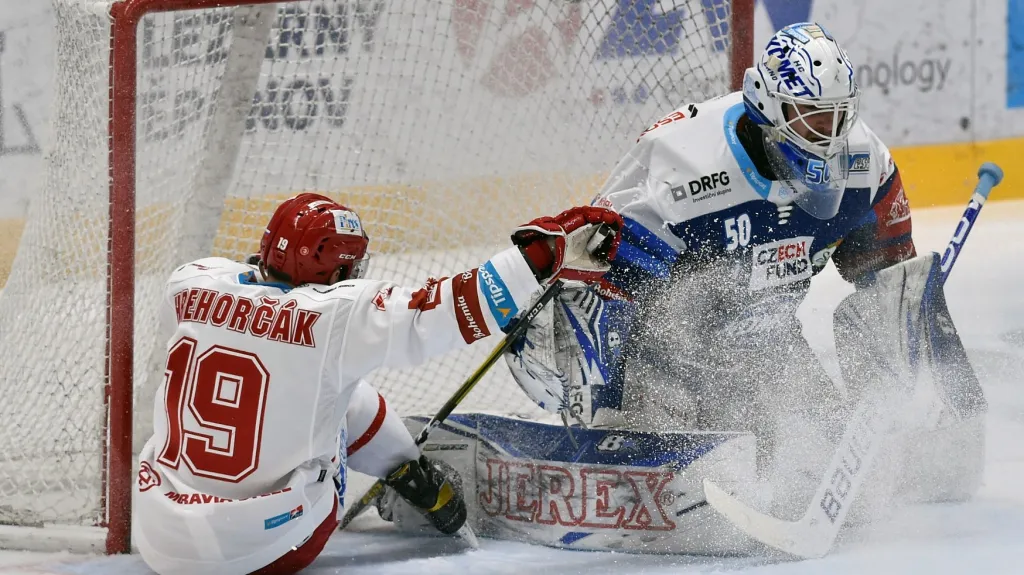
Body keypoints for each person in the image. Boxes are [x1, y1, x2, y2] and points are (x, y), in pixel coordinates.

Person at [504, 22, 986, 517]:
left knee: (831, 469)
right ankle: (610, 429)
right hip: (664, 360)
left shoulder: (866, 164)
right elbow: (604, 284)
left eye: (839, 118)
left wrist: (903, 371)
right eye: (812, 118)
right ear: (767, 106)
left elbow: (885, 276)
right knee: (664, 473)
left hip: (771, 352)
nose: (829, 135)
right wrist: (606, 400)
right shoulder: (681, 163)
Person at [133, 192, 622, 575]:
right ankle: (415, 479)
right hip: (270, 549)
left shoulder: (191, 280)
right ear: (340, 268)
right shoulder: (336, 317)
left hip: (157, 533)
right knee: (345, 394)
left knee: (302, 380)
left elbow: (256, 312)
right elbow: (446, 311)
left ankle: (407, 471)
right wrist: (541, 256)